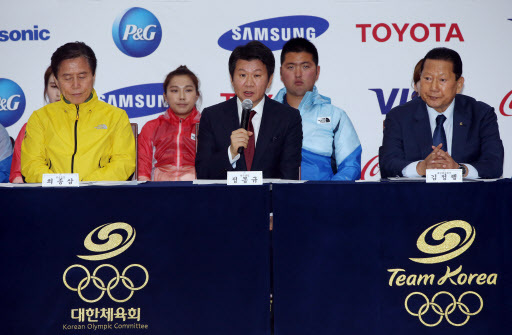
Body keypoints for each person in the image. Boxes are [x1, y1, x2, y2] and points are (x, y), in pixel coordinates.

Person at [379, 47, 504, 179]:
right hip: (415, 197)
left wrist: (459, 169)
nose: (433, 87)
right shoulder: (399, 116)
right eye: (427, 78)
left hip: (468, 196)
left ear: (459, 84)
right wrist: (421, 167)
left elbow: (494, 165)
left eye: (442, 80)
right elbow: (388, 164)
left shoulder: (481, 115)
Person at [21, 42, 136, 182]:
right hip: (53, 197)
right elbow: (31, 165)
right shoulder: (40, 118)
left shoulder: (116, 117)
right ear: (56, 81)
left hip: (100, 197)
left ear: (93, 76)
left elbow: (124, 162)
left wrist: (86, 185)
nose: (76, 85)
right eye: (67, 78)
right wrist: (63, 184)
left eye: (82, 77)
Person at [195, 41, 302, 180]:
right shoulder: (212, 116)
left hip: (269, 200)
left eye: (257, 75)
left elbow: (289, 176)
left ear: (269, 80)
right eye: (242, 75)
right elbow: (203, 172)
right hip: (226, 199)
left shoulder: (288, 118)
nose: (249, 83)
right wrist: (231, 153)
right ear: (232, 79)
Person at [274, 38, 361, 181]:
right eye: (290, 67)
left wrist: (326, 195)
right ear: (281, 73)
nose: (298, 74)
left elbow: (351, 167)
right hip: (275, 200)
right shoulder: (264, 114)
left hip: (322, 200)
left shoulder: (336, 116)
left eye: (305, 66)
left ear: (317, 71)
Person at [138, 66, 201, 181]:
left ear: (196, 95)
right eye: (174, 91)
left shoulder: (206, 126)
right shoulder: (151, 127)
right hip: (159, 191)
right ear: (165, 96)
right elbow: (143, 173)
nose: (182, 97)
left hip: (196, 192)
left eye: (188, 90)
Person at [10, 66, 60, 183]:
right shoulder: (31, 126)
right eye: (53, 87)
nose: (59, 93)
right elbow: (17, 176)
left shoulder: (88, 125)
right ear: (46, 90)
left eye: (63, 86)